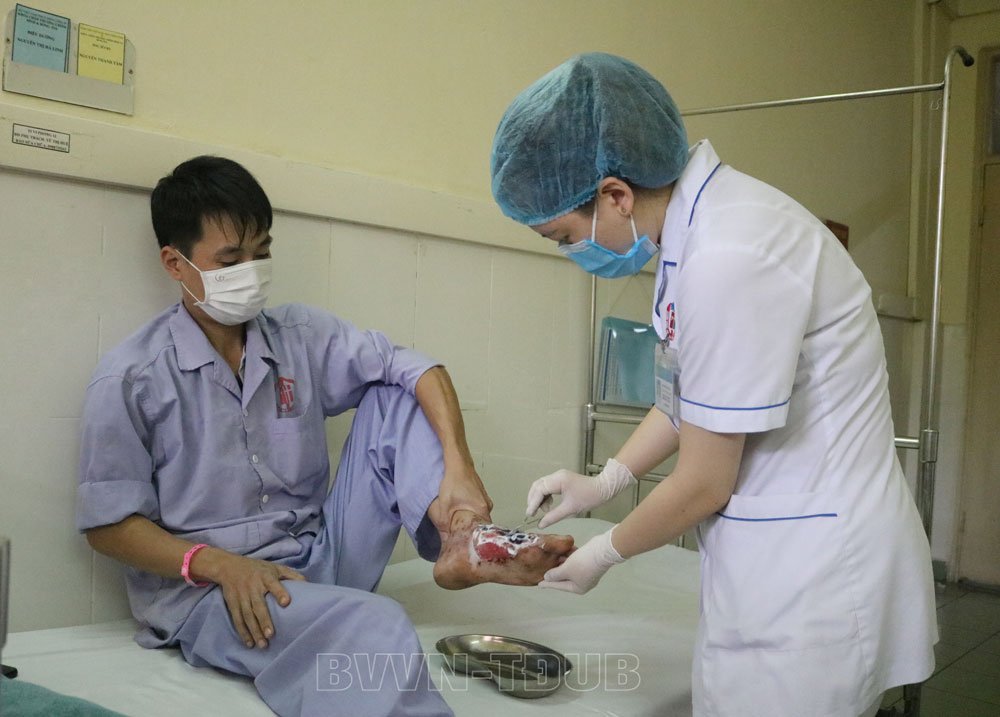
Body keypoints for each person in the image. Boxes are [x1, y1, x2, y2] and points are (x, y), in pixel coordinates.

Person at [490, 53, 937, 717]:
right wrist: (606, 480)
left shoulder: (731, 254)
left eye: (562, 236)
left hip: (813, 574)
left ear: (615, 195)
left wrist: (603, 553)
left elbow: (704, 480)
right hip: (773, 556)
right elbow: (685, 399)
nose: (568, 253)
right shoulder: (694, 236)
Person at [76, 156, 574, 717]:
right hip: (214, 593)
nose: (253, 269)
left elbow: (422, 369)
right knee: (377, 621)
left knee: (394, 390)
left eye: (262, 252)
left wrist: (459, 468)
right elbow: (108, 525)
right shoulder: (133, 378)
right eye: (231, 259)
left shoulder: (298, 336)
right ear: (176, 263)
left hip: (318, 555)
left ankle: (465, 536)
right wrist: (218, 565)